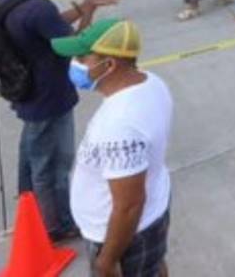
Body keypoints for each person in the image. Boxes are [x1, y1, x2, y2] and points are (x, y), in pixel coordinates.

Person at [0, 0, 121, 242]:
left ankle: (31, 213)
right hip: (49, 96)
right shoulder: (36, 7)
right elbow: (78, 44)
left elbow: (50, 26)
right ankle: (58, 225)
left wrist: (86, 4)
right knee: (53, 166)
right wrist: (91, 14)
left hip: (29, 94)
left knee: (31, 156)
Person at [52, 19, 172, 277]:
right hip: (153, 211)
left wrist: (107, 260)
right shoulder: (150, 82)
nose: (75, 64)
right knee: (154, 265)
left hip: (121, 234)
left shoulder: (120, 126)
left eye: (83, 58)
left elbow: (129, 205)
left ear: (109, 65)